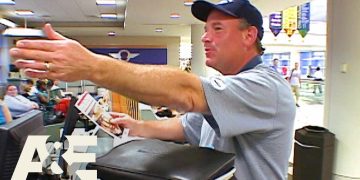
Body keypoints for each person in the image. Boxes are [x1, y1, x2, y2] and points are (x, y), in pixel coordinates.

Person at [10, 0, 296, 179]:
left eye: (218, 29)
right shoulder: (228, 90)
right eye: (205, 30)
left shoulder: (266, 87)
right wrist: (137, 127)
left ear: (250, 35)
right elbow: (186, 126)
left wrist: (92, 66)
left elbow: (187, 92)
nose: (206, 39)